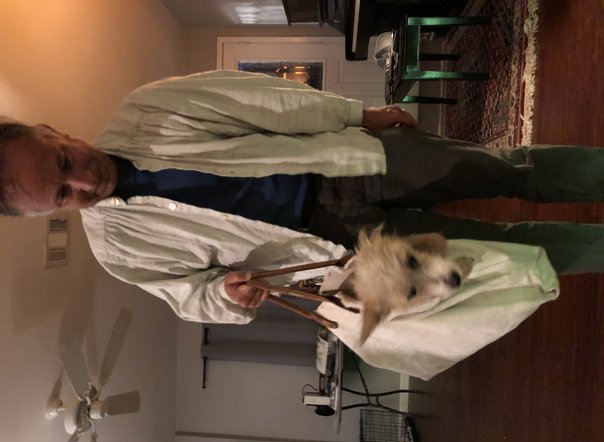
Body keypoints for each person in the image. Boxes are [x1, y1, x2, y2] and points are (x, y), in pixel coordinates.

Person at [0, 70, 602, 324]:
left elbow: (269, 103)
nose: (85, 183)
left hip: (347, 161)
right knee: (499, 258)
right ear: (52, 212)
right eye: (62, 196)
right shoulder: (118, 252)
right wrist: (226, 295)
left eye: (63, 162)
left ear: (55, 132)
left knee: (506, 169)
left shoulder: (147, 109)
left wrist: (359, 113)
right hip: (335, 249)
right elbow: (189, 297)